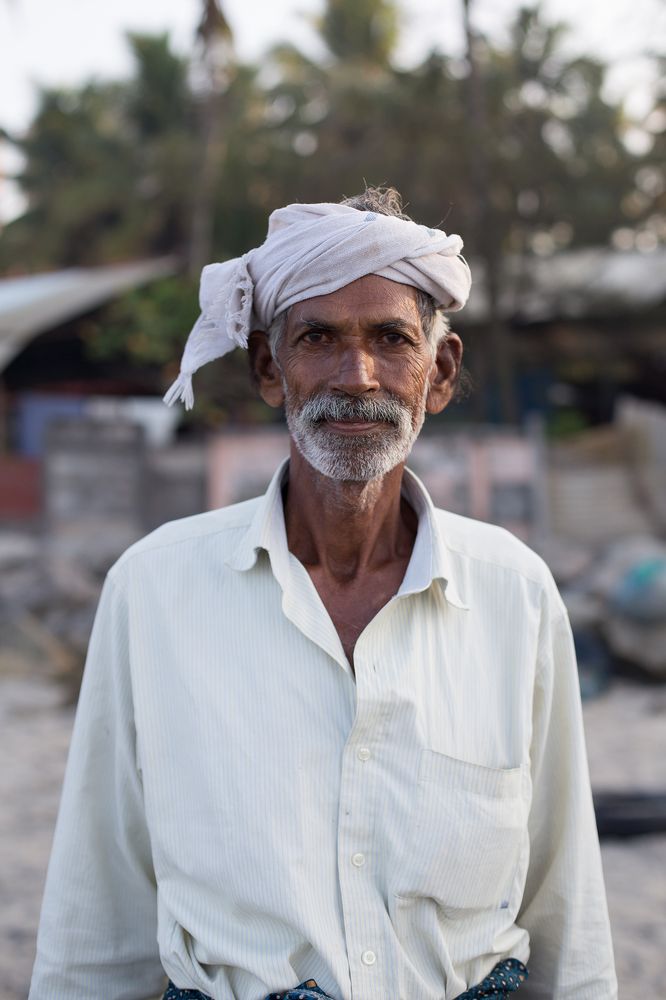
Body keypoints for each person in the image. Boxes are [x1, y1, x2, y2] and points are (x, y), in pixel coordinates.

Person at [29, 187, 617, 1000]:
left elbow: (565, 901)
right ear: (270, 370)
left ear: (439, 374)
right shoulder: (155, 591)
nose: (358, 375)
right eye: (317, 339)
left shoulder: (513, 594)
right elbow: (99, 911)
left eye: (391, 339)